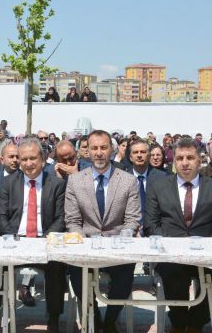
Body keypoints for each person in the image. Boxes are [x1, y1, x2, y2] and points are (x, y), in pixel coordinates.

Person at [144, 137, 212, 333]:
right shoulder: (158, 187)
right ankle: (178, 323)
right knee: (174, 277)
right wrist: (172, 246)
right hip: (171, 254)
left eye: (190, 157)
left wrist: (206, 247)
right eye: (180, 158)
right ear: (174, 161)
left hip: (208, 254)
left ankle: (195, 324)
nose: (185, 162)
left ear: (200, 160)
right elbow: (151, 224)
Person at [64, 130, 140, 333]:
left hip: (117, 248)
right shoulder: (75, 181)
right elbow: (72, 220)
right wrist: (80, 240)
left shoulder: (128, 180)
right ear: (86, 151)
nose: (99, 153)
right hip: (87, 247)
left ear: (112, 149)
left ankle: (110, 321)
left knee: (126, 271)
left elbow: (132, 219)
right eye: (94, 148)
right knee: (76, 271)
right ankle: (95, 318)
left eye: (103, 148)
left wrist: (122, 240)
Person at [0, 137, 67, 332]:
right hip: (16, 242)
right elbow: (0, 216)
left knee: (57, 267)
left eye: (32, 158)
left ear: (42, 159)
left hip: (45, 242)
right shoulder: (8, 183)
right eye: (23, 159)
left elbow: (61, 218)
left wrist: (46, 240)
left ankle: (53, 318)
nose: (28, 164)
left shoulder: (56, 184)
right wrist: (14, 238)